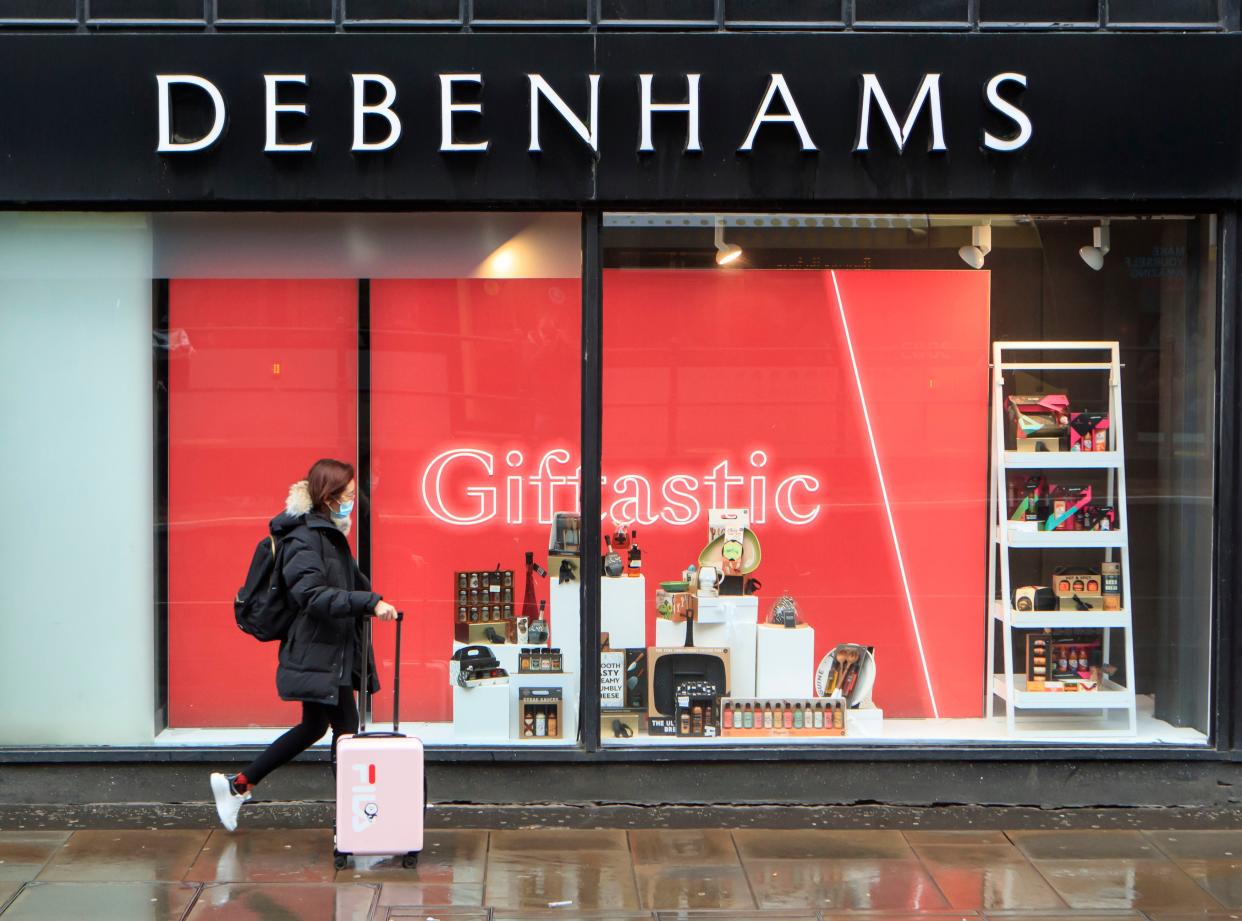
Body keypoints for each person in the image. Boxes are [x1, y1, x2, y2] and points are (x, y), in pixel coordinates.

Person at [210, 458, 398, 831]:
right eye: (346, 494)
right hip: (318, 651)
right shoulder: (304, 539)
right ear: (327, 498)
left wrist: (368, 596)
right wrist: (369, 602)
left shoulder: (326, 534)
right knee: (345, 729)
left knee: (315, 726)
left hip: (328, 649)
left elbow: (347, 585)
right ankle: (354, 820)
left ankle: (238, 785)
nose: (352, 500)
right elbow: (312, 595)